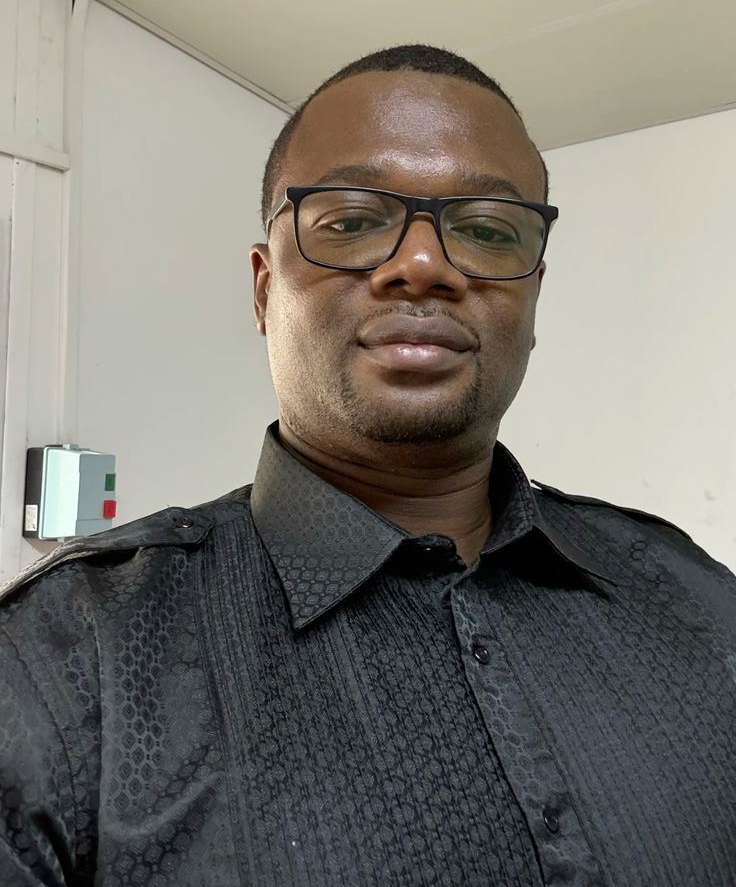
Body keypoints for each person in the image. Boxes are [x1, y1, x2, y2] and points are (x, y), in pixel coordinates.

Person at [1, 44, 734, 887]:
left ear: (533, 298)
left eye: (488, 229)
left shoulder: (693, 597)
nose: (422, 265)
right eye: (350, 221)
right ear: (263, 290)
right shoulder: (61, 662)